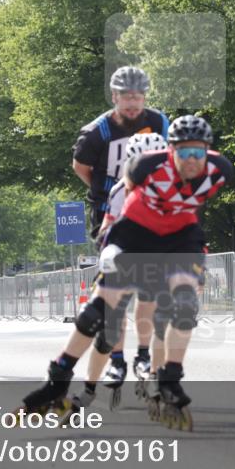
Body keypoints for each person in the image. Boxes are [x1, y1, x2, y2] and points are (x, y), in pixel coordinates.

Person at [22, 115, 232, 430]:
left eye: (198, 153)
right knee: (97, 313)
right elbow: (120, 212)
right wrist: (111, 250)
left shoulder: (220, 171)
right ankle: (59, 379)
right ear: (170, 151)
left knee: (185, 305)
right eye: (184, 153)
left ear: (208, 152)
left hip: (180, 237)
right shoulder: (143, 168)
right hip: (135, 233)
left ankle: (169, 379)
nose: (192, 160)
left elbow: (192, 209)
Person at [71, 66, 169, 398]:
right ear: (114, 97)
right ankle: (115, 358)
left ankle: (142, 355)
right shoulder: (97, 131)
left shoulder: (158, 122)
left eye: (137, 97)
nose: (132, 104)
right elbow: (81, 167)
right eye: (126, 97)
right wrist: (108, 190)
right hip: (109, 210)